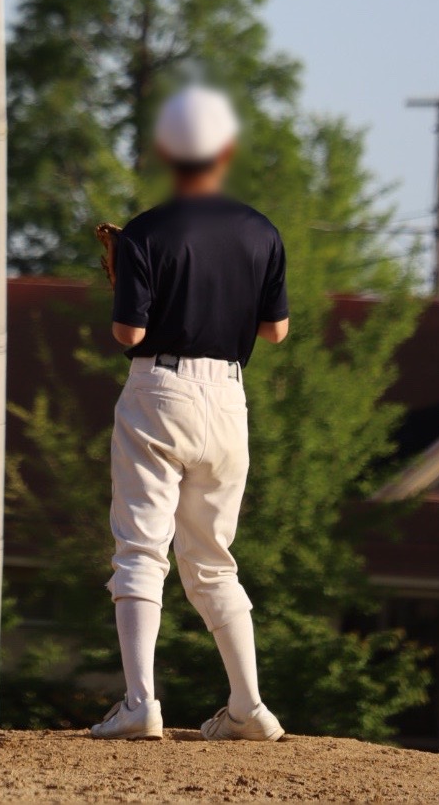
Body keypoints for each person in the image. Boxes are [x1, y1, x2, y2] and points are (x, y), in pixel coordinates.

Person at [90, 84, 289, 743]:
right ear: (225, 151)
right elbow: (277, 330)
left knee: (141, 550)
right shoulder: (262, 230)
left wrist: (125, 276)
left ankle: (141, 701)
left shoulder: (147, 231)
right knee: (213, 561)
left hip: (161, 389)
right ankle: (248, 707)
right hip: (229, 398)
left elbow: (128, 335)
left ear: (167, 152)